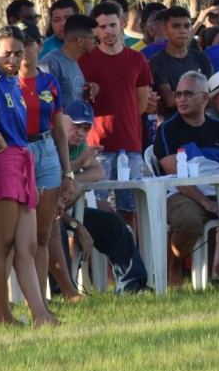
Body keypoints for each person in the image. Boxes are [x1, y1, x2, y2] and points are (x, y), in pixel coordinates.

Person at [0, 26, 57, 326]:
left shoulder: (13, 81)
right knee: (0, 244)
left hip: (23, 159)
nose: (13, 59)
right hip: (3, 162)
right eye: (6, 53)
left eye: (18, 53)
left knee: (26, 245)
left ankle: (40, 312)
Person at [153, 71, 219, 286]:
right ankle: (173, 267)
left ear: (204, 98)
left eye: (188, 94)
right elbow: (176, 176)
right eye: (178, 94)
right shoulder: (168, 129)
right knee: (190, 221)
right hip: (182, 192)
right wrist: (207, 203)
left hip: (218, 192)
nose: (181, 99)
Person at [54, 100, 149, 294]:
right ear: (62, 121)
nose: (81, 132)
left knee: (114, 223)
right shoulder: (50, 141)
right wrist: (75, 224)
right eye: (76, 126)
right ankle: (60, 291)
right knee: (57, 232)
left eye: (86, 128)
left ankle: (132, 286)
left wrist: (74, 181)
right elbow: (48, 182)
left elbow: (98, 172)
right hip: (47, 216)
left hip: (67, 209)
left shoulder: (79, 145)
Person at [17, 23, 76, 297]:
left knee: (43, 233)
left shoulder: (48, 82)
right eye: (19, 44)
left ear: (40, 46)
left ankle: (41, 301)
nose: (25, 50)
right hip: (16, 152)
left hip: (46, 149)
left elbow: (59, 130)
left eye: (29, 43)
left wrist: (68, 172)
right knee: (20, 236)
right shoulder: (4, 82)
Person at [81, 2, 154, 216]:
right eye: (102, 27)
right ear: (95, 29)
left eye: (112, 25)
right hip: (97, 146)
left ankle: (131, 249)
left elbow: (141, 104)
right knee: (96, 209)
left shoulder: (137, 60)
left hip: (130, 145)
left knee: (130, 210)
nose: (108, 31)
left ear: (122, 23)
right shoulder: (85, 61)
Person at [149, 6, 212, 120]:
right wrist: (200, 95)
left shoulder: (202, 58)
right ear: (165, 30)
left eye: (187, 26)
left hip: (202, 123)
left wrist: (180, 95)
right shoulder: (157, 61)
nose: (182, 30)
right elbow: (169, 100)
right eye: (176, 26)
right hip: (173, 127)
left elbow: (212, 95)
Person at [40, 13, 97, 107]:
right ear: (80, 41)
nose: (95, 43)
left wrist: (86, 94)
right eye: (93, 38)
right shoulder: (51, 62)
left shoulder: (74, 62)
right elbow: (46, 102)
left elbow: (70, 99)